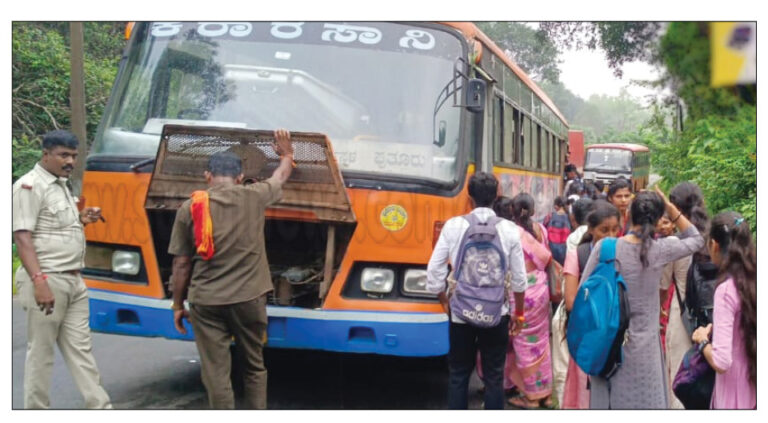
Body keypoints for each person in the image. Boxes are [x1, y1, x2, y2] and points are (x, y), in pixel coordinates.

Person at [168, 129, 295, 409]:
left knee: (215, 372)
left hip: (206, 302)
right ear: (239, 178)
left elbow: (181, 264)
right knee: (253, 366)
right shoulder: (254, 196)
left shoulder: (190, 208)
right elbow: (280, 177)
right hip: (249, 299)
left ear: (207, 176)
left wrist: (178, 304)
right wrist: (286, 155)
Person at [12, 130, 112, 409]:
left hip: (74, 280)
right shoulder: (28, 186)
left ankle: (101, 408)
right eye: (63, 155)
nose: (70, 161)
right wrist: (39, 281)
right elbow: (22, 237)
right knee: (41, 352)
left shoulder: (61, 186)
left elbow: (52, 228)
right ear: (46, 155)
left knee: (82, 350)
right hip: (48, 279)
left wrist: (81, 219)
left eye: (74, 156)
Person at [584, 187, 704, 409]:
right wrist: (670, 207)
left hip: (608, 347)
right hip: (645, 352)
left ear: (628, 215)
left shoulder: (606, 247)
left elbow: (585, 293)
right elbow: (696, 239)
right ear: (659, 220)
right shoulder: (661, 249)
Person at [426, 175, 527, 410]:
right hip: (496, 313)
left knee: (459, 374)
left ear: (469, 198)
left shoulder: (453, 225)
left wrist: (444, 300)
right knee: (494, 376)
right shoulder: (510, 230)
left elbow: (434, 269)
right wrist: (518, 314)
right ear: (496, 197)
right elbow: (520, 280)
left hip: (460, 312)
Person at [691, 212, 756, 409]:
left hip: (733, 394)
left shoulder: (726, 291)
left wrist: (702, 339)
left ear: (715, 245)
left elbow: (722, 361)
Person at [560, 200, 620, 409]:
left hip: (617, 336)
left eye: (615, 230)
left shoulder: (624, 253)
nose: (610, 236)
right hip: (588, 336)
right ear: (592, 230)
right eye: (604, 230)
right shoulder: (578, 254)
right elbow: (570, 302)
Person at [504, 193, 554, 409]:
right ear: (533, 210)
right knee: (541, 342)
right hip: (541, 290)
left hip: (522, 292)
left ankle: (531, 396)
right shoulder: (541, 230)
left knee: (523, 343)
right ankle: (546, 393)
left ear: (512, 211)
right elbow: (546, 257)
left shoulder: (512, 233)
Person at [544, 196, 571, 266]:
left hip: (550, 249)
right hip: (565, 250)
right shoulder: (570, 217)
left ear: (556, 206)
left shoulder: (550, 216)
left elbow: (543, 228)